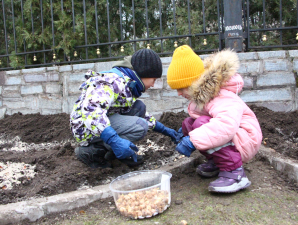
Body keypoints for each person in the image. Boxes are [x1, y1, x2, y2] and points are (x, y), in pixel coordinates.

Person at [166, 45, 262, 193]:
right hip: (234, 137)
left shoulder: (221, 96)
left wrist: (191, 140)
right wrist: (184, 133)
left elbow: (225, 126)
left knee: (200, 125)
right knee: (189, 124)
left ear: (194, 82)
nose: (179, 93)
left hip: (246, 139)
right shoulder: (205, 96)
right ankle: (219, 162)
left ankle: (235, 173)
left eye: (182, 88)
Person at [70, 48, 182, 169]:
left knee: (139, 108)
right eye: (153, 79)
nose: (153, 84)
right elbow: (91, 111)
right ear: (144, 73)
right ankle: (94, 152)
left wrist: (165, 130)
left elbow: (138, 113)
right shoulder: (113, 81)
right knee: (140, 126)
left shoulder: (128, 83)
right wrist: (114, 140)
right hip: (85, 128)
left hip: (99, 123)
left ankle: (113, 153)